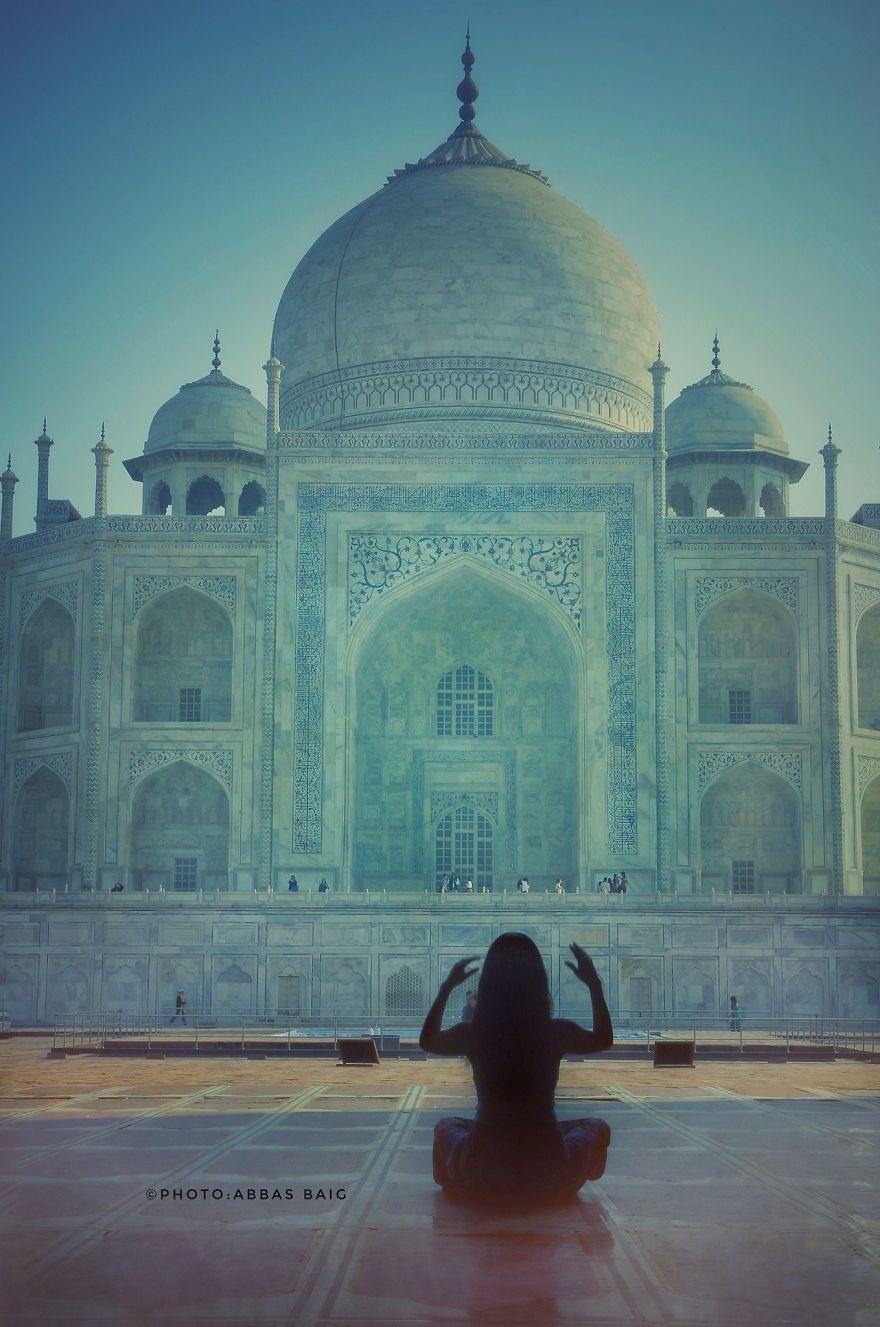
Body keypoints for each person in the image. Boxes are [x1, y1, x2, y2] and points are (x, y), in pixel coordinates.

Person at [421, 934, 613, 1204]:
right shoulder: (555, 1032)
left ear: (488, 984)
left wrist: (446, 987)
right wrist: (594, 985)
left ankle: (458, 1182)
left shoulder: (475, 1033)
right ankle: (557, 1183)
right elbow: (603, 1039)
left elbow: (427, 1041)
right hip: (548, 1171)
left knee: (447, 1125)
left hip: (482, 1167)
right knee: (595, 1127)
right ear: (539, 983)